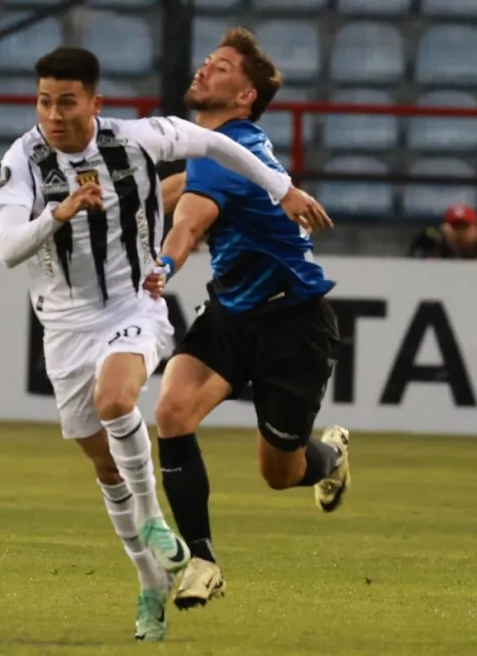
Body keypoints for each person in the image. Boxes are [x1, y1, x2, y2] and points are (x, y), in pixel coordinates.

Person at [0, 46, 329, 641]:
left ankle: (165, 530)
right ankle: (151, 581)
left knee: (119, 400)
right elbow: (8, 249)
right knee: (107, 466)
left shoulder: (137, 138)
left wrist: (281, 189)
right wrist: (59, 214)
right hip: (65, 324)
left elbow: (211, 160)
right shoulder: (22, 159)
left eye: (66, 102)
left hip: (134, 304)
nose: (54, 114)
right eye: (44, 102)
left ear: (94, 103)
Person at [143, 28, 351, 611]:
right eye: (208, 60)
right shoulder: (226, 149)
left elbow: (189, 223)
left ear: (245, 97)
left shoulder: (227, 152)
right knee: (172, 411)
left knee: (280, 473)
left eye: (223, 67)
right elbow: (183, 188)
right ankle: (202, 561)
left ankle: (332, 456)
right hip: (233, 312)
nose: (205, 68)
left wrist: (162, 266)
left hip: (293, 324)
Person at [408, 204, 477, 261]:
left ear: (476, 230)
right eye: (455, 227)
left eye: (464, 227)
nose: (460, 232)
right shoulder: (435, 258)